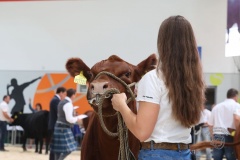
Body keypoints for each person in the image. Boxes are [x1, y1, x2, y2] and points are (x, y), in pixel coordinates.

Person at [111, 15, 205, 160]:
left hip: (156, 154)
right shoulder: (194, 81)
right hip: (184, 154)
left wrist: (121, 106)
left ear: (163, 43)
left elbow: (142, 132)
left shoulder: (153, 79)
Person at [208, 88, 240, 160]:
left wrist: (213, 136)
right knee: (231, 158)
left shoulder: (216, 107)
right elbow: (237, 119)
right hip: (229, 135)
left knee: (217, 158)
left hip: (217, 135)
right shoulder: (236, 105)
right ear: (235, 96)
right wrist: (237, 134)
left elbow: (210, 124)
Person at [50, 88, 82, 160]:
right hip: (64, 128)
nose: (75, 97)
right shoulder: (68, 104)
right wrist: (77, 118)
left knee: (57, 150)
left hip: (58, 127)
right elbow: (69, 119)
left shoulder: (61, 102)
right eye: (75, 95)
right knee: (69, 149)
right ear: (73, 95)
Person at [48, 87, 66, 160]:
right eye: (64, 94)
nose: (64, 96)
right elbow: (59, 112)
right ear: (61, 92)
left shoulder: (55, 100)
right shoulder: (56, 100)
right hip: (54, 126)